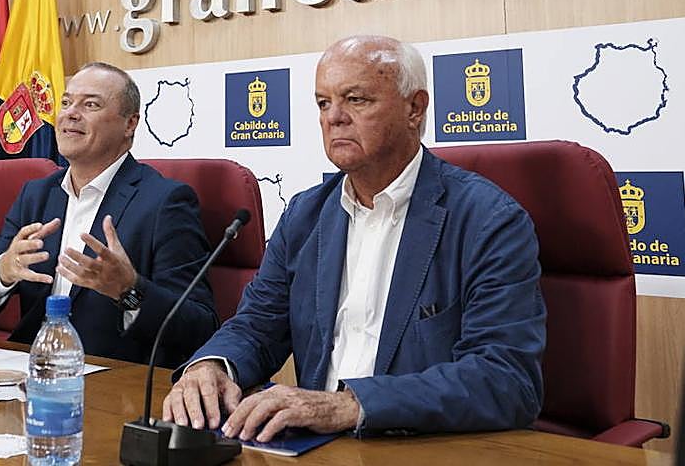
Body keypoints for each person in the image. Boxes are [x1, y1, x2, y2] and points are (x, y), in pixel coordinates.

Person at [163, 35, 545, 441]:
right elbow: (257, 326)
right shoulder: (305, 214)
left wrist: (352, 404)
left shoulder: (488, 220)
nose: (334, 118)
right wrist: (212, 366)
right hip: (315, 446)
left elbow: (506, 379)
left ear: (415, 108)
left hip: (418, 445)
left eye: (356, 100)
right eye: (323, 103)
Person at [0, 62, 218, 366]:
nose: (70, 113)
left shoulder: (165, 202)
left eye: (90, 104)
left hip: (113, 383)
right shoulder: (36, 196)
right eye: (66, 102)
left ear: (130, 124)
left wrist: (128, 290)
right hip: (28, 373)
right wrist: (4, 270)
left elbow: (200, 327)